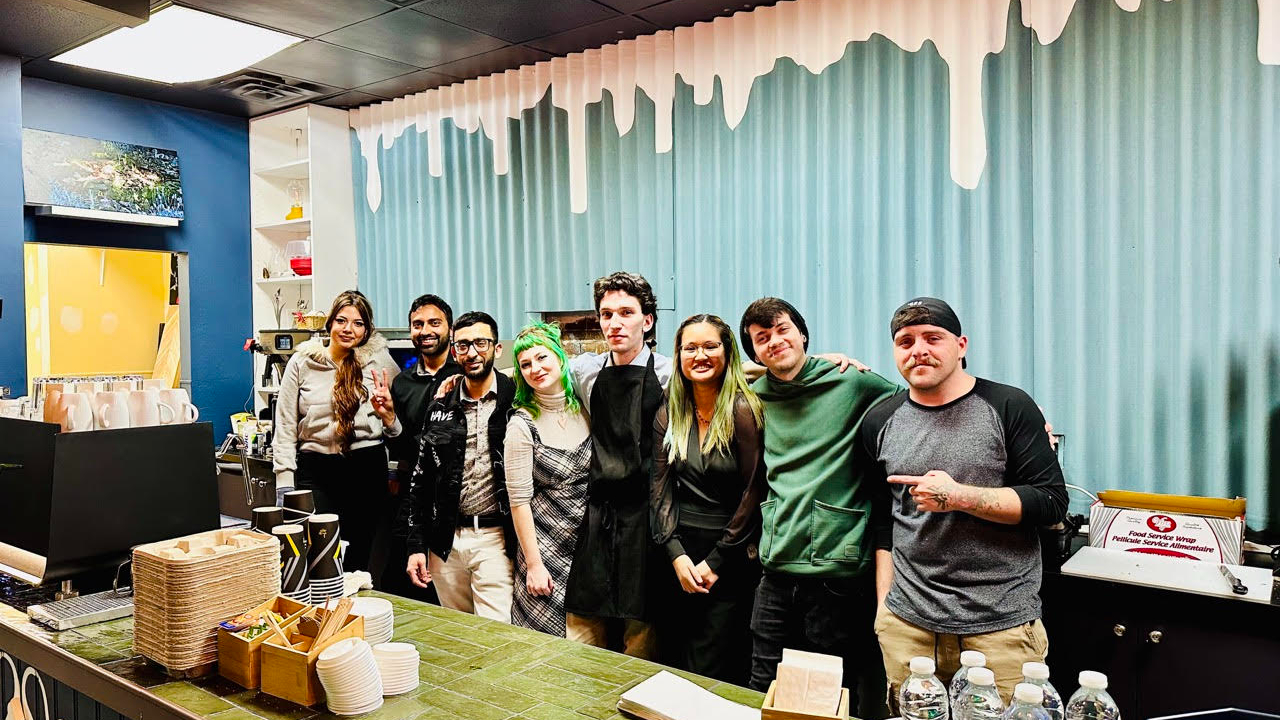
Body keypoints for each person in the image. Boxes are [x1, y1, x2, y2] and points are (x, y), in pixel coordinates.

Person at [862, 297, 1068, 703]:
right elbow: (885, 522)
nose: (918, 349)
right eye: (905, 341)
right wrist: (884, 610)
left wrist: (959, 496)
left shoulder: (1008, 405)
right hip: (908, 626)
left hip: (1000, 627)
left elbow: (1050, 501)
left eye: (932, 338)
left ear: (961, 345)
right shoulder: (879, 421)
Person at [739, 297, 900, 710]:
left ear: (802, 334)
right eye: (762, 338)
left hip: (838, 571)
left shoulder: (851, 382)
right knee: (761, 684)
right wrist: (758, 367)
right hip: (775, 569)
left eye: (782, 330)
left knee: (833, 693)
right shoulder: (757, 396)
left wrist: (1020, 418)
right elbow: (712, 372)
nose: (774, 342)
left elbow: (917, 399)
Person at [651, 314, 766, 685]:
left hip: (730, 558)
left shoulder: (743, 410)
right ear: (679, 355)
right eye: (690, 348)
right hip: (680, 558)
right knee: (675, 663)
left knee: (715, 669)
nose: (700, 355)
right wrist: (675, 554)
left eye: (710, 346)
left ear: (727, 352)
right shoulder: (670, 413)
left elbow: (754, 491)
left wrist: (716, 561)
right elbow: (660, 490)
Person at [563, 271, 673, 657]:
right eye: (607, 314)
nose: (614, 322)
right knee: (581, 628)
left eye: (626, 312)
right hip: (598, 513)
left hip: (648, 516)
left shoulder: (671, 373)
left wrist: (819, 361)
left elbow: (733, 374)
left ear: (647, 320)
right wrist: (454, 381)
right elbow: (529, 373)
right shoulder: (583, 372)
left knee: (641, 636)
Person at [272, 290, 401, 572]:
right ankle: (323, 613)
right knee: (319, 554)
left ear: (367, 329)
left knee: (358, 556)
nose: (348, 329)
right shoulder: (302, 362)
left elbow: (397, 416)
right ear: (330, 323)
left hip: (366, 466)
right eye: (342, 320)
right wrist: (284, 478)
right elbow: (283, 424)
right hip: (316, 468)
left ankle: (353, 613)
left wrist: (390, 418)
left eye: (358, 323)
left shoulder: (379, 362)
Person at [401, 312, 517, 621]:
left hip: (495, 539)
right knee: (459, 633)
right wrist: (416, 545)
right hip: (445, 543)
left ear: (497, 348)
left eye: (481, 342)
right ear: (455, 351)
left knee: (498, 635)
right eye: (463, 345)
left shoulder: (515, 399)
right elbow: (421, 479)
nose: (473, 352)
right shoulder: (441, 403)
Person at [504, 322, 593, 637]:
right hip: (545, 548)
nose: (535, 368)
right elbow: (519, 502)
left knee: (589, 644)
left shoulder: (585, 408)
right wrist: (534, 564)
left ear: (560, 357)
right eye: (525, 364)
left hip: (586, 548)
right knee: (546, 646)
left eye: (541, 358)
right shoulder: (521, 425)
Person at [382, 294, 461, 600]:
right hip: (410, 500)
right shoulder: (402, 383)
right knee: (400, 591)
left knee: (445, 594)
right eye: (417, 324)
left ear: (450, 329)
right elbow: (403, 450)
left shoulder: (463, 377)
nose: (425, 330)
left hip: (450, 503)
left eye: (434, 323)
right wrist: (389, 417)